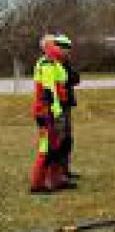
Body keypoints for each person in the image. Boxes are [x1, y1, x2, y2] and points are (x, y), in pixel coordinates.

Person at [30, 34, 75, 193]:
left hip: (53, 110)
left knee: (57, 146)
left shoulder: (55, 63)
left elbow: (63, 85)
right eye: (57, 45)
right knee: (46, 147)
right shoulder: (47, 63)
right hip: (46, 112)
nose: (63, 49)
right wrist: (56, 112)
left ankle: (55, 180)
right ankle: (37, 184)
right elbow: (49, 90)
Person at [56, 34, 80, 181]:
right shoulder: (54, 64)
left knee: (68, 139)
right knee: (61, 139)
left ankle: (65, 169)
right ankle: (59, 172)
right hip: (59, 106)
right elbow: (68, 78)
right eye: (64, 48)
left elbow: (76, 78)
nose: (67, 51)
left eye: (68, 48)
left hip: (67, 105)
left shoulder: (66, 62)